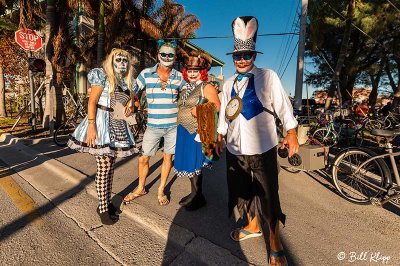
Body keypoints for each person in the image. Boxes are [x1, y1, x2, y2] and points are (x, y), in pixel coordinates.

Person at [216, 16, 299, 266]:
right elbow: (224, 113)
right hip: (235, 148)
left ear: (254, 55)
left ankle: (275, 241)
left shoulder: (268, 76)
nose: (242, 60)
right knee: (242, 191)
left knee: (268, 196)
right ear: (233, 57)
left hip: (263, 148)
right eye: (237, 56)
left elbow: (284, 108)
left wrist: (291, 132)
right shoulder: (228, 82)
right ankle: (253, 225)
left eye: (247, 55)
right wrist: (220, 136)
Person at [68, 47, 137, 225]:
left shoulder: (126, 81)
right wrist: (91, 126)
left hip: (117, 123)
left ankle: (105, 203)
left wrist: (131, 108)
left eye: (125, 60)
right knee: (103, 168)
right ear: (111, 60)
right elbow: (92, 100)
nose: (122, 63)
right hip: (100, 123)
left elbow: (130, 105)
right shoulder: (102, 75)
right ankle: (103, 208)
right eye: (118, 59)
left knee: (110, 167)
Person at [123, 39, 185, 206]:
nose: (166, 56)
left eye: (170, 54)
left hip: (173, 126)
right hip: (153, 126)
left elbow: (188, 94)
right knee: (143, 158)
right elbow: (135, 90)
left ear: (174, 57)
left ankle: (161, 189)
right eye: (163, 54)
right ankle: (141, 187)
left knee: (167, 158)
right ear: (158, 55)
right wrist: (132, 101)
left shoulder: (179, 77)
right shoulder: (146, 74)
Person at [174, 53, 221, 211]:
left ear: (202, 71)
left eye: (196, 70)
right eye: (190, 70)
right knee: (189, 163)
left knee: (195, 163)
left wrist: (200, 109)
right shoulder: (187, 87)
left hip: (196, 130)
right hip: (183, 130)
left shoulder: (205, 86)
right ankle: (196, 194)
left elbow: (217, 106)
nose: (192, 73)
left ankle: (197, 196)